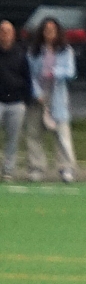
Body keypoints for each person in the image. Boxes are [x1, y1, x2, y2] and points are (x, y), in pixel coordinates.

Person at [25, 18, 76, 184]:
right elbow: (30, 74)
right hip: (37, 98)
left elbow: (70, 72)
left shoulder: (65, 50)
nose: (49, 33)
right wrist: (37, 93)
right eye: (46, 29)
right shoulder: (34, 51)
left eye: (52, 29)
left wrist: (53, 72)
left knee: (62, 135)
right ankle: (36, 168)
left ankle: (66, 168)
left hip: (57, 97)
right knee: (34, 134)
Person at [0, 21, 27, 182]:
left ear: (13, 34)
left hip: (16, 102)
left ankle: (8, 170)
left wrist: (25, 98)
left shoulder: (20, 54)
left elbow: (27, 77)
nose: (4, 34)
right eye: (2, 31)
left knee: (13, 139)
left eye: (8, 31)